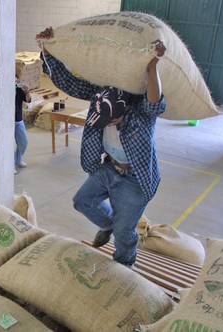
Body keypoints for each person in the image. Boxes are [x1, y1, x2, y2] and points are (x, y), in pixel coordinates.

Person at [37, 27, 167, 267]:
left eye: (112, 120)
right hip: (109, 168)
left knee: (124, 233)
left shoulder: (141, 113)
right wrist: (46, 50)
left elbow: (155, 104)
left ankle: (124, 267)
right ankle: (108, 224)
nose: (107, 124)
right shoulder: (101, 95)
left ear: (122, 111)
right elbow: (71, 83)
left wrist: (153, 66)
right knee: (82, 201)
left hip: (135, 179)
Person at [15, 76, 31, 175]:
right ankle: (9, 165)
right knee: (7, 145)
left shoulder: (19, 89)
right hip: (6, 122)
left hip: (18, 120)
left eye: (16, 79)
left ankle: (18, 159)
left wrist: (27, 91)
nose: (15, 81)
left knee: (23, 142)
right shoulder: (2, 90)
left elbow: (28, 100)